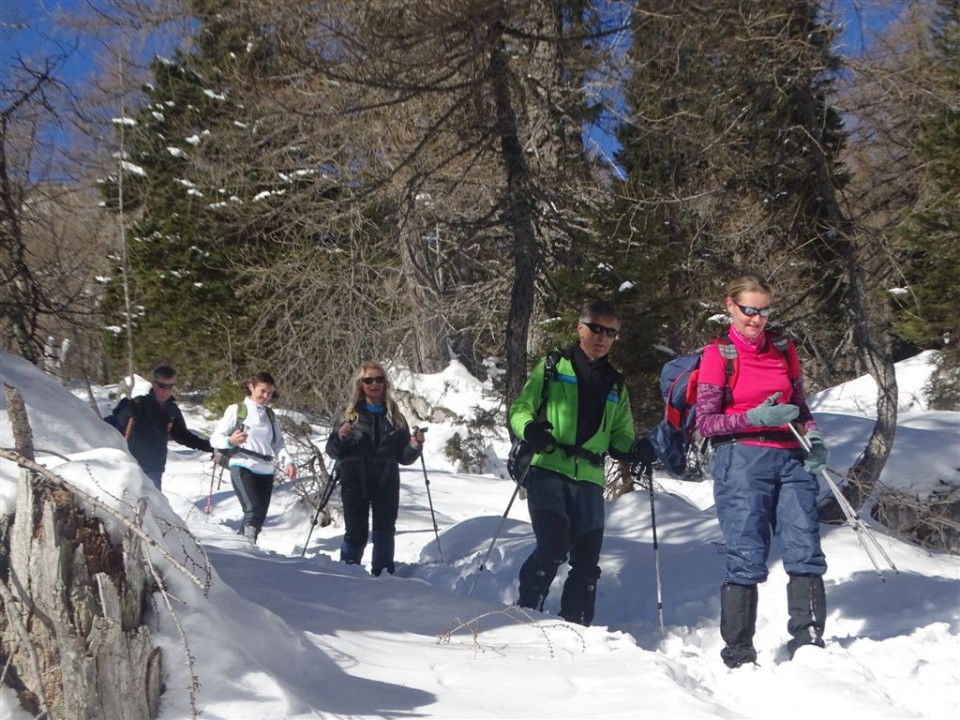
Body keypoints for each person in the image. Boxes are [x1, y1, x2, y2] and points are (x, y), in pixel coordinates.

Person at [696, 273, 829, 668]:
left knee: (805, 547)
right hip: (741, 460)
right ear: (731, 307)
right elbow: (706, 422)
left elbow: (800, 406)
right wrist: (754, 417)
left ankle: (808, 643)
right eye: (748, 310)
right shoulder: (718, 355)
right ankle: (738, 651)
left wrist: (815, 438)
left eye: (763, 310)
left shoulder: (784, 349)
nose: (756, 319)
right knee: (746, 553)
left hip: (791, 457)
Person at [508, 300, 656, 626]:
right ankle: (527, 609)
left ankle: (576, 629)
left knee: (587, 562)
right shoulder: (552, 366)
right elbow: (521, 409)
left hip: (589, 477)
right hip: (548, 467)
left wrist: (635, 449)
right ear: (580, 329)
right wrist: (530, 429)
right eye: (596, 329)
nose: (602, 337)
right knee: (553, 545)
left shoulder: (616, 383)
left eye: (611, 332)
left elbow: (620, 434)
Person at [325, 361, 425, 576]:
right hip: (354, 477)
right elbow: (333, 450)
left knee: (385, 531)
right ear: (360, 385)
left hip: (386, 478)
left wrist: (415, 445)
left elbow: (403, 457)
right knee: (356, 532)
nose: (374, 384)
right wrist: (341, 437)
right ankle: (348, 573)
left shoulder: (395, 417)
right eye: (368, 380)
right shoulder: (349, 415)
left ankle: (383, 576)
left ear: (385, 383)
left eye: (379, 379)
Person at [210, 371, 296, 543]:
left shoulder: (270, 416)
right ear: (251, 387)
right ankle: (246, 548)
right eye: (262, 391)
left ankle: (243, 547)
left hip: (266, 469)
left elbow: (278, 444)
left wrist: (289, 463)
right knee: (253, 510)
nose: (265, 396)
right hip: (242, 463)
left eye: (270, 393)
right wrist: (230, 440)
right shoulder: (237, 410)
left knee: (258, 518)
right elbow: (215, 439)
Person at [106, 364, 212, 490]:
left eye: (169, 387)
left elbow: (182, 436)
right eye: (162, 386)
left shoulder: (171, 410)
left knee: (152, 508)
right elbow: (108, 428)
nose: (165, 390)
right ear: (154, 384)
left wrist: (209, 446)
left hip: (154, 470)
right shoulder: (136, 405)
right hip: (130, 466)